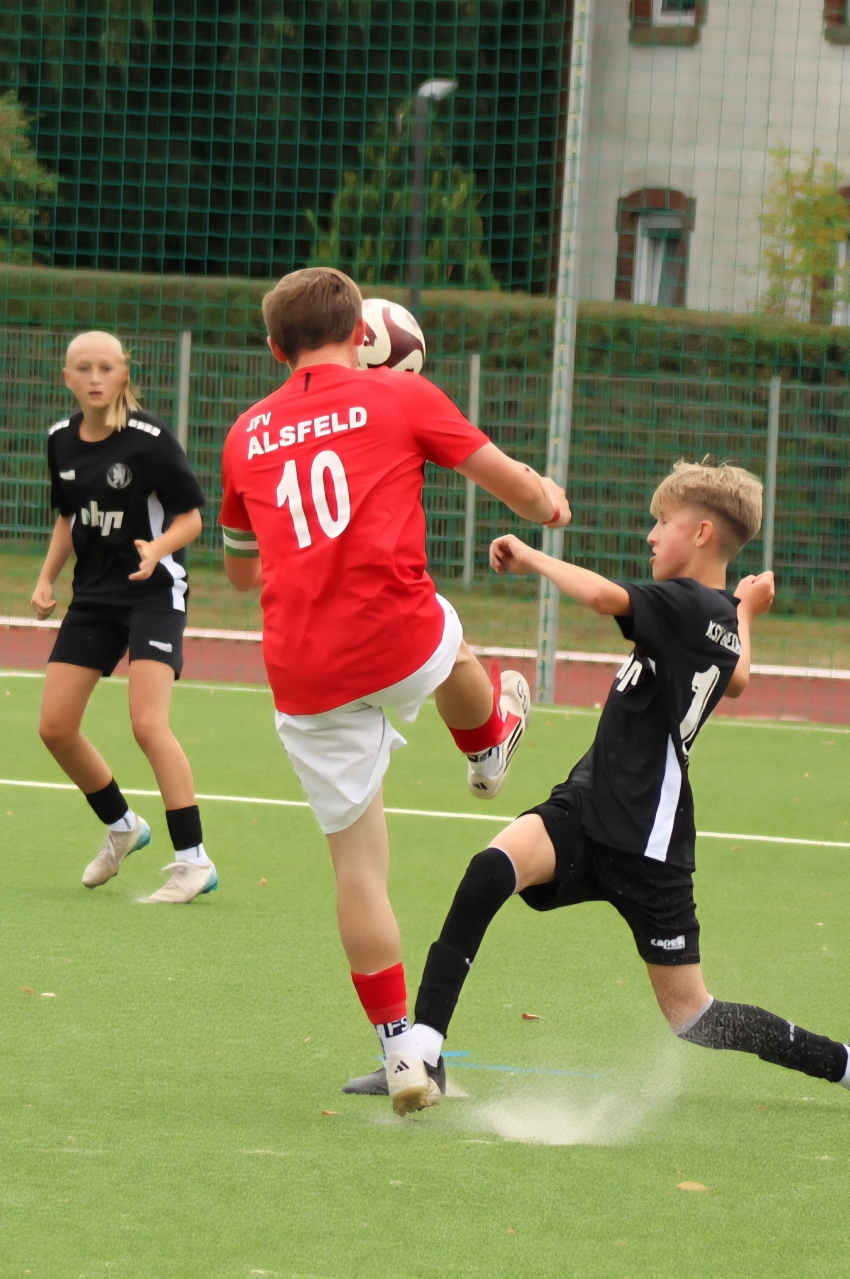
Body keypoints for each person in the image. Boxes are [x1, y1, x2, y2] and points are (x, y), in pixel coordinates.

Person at [382, 461, 850, 1111]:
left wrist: (532, 556)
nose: (651, 535)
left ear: (701, 533)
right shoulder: (712, 613)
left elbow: (603, 598)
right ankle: (424, 1053)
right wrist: (746, 610)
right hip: (589, 806)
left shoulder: (686, 604)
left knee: (694, 1016)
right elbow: (739, 678)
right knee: (490, 870)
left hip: (648, 844)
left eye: (662, 522)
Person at [218, 267, 570, 1114]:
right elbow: (518, 489)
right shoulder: (402, 397)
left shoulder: (244, 432)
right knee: (447, 641)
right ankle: (488, 745)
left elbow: (239, 572)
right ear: (361, 333)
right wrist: (549, 503)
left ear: (274, 349)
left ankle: (399, 1049)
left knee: (359, 867)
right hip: (395, 632)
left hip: (305, 668)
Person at [32, 331, 215, 903]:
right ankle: (123, 826)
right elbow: (68, 518)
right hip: (94, 597)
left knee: (147, 723)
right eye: (84, 368)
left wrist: (155, 550)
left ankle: (194, 861)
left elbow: (191, 519)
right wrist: (46, 578)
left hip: (153, 593)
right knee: (55, 727)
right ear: (67, 377)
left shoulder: (150, 441)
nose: (95, 378)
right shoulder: (60, 440)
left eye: (106, 367)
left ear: (124, 374)